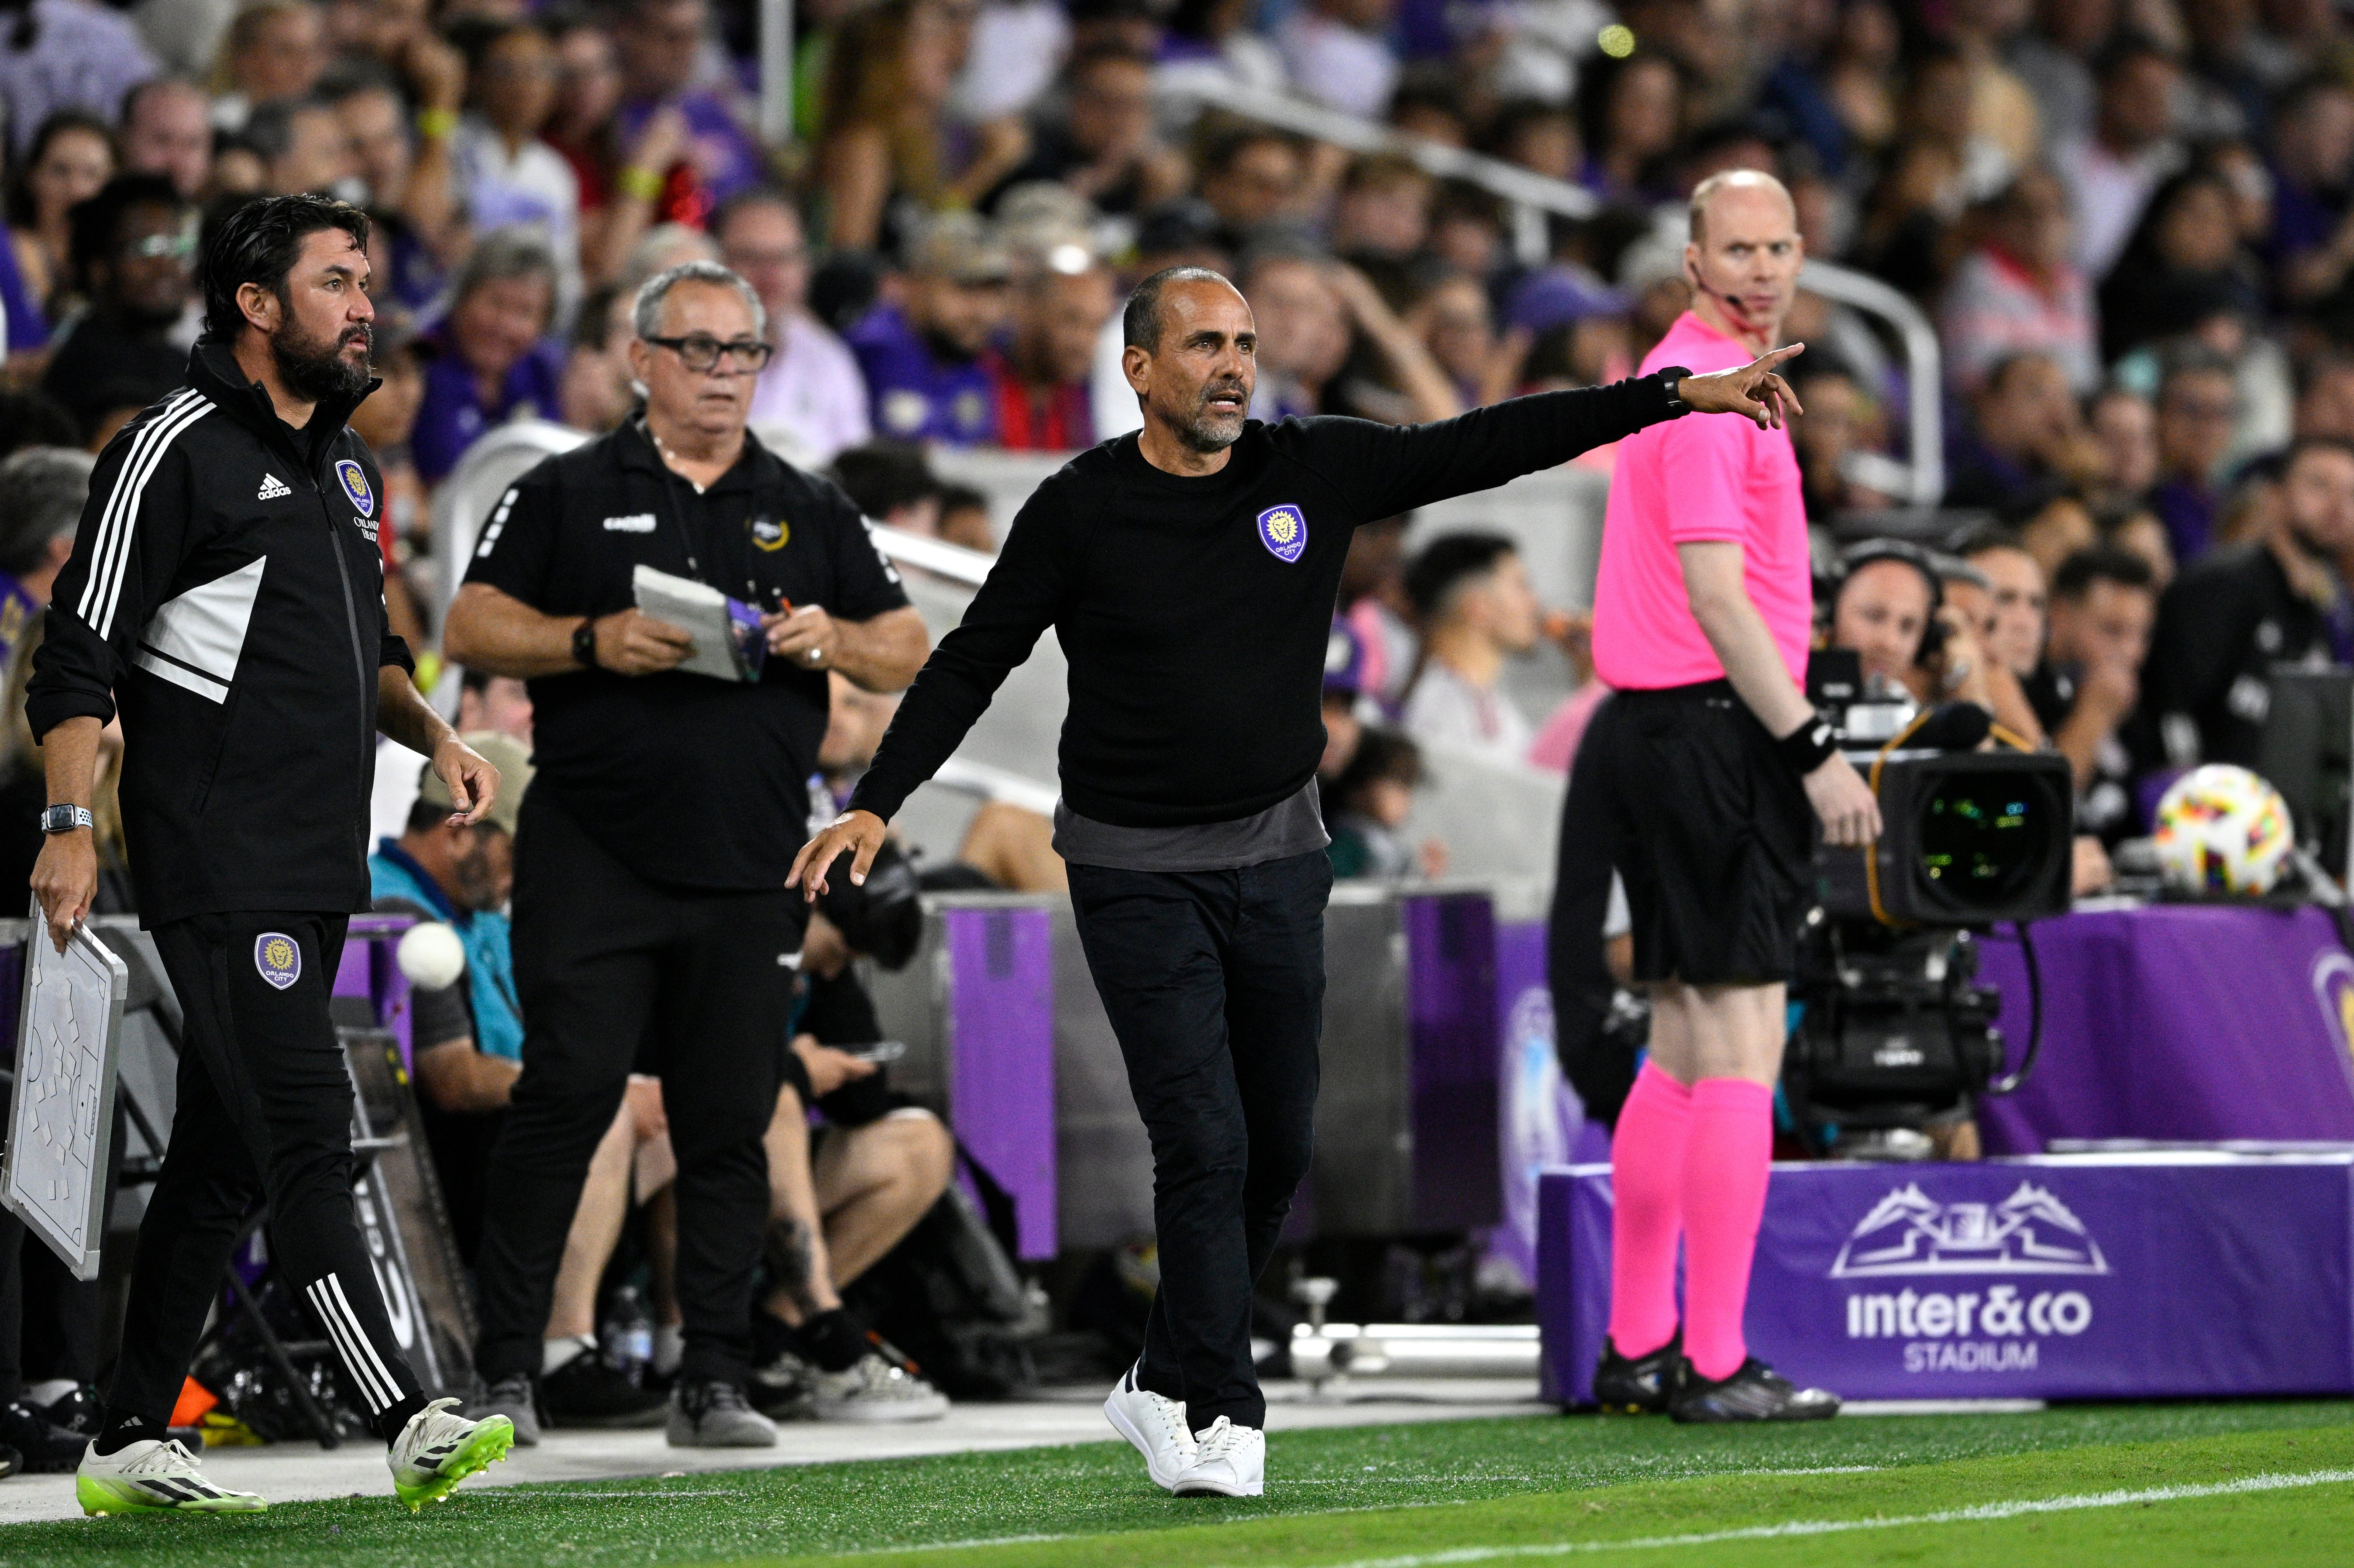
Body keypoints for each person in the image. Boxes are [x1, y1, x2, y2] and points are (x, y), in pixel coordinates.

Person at [789, 263, 1800, 1494]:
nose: (1232, 366)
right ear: (1141, 370)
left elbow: (1487, 443)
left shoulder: (1307, 469)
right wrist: (876, 804)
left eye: (1246, 344)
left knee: (1277, 1145)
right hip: (1132, 868)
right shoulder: (1077, 509)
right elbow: (969, 664)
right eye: (1205, 344)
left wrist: (1671, 395)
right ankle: (1222, 1412)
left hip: (1277, 858)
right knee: (1204, 1138)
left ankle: (1162, 1374)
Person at [24, 192, 513, 1513]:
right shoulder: (170, 449)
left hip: (314, 868)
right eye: (339, 280)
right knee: (306, 1127)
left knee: (225, 1156)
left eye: (369, 281)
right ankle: (406, 1410)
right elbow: (74, 656)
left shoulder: (344, 465)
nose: (367, 306)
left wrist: (430, 732)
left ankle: (126, 1436)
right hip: (218, 862)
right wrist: (70, 826)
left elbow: (367, 652)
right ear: (253, 303)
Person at [441, 258, 930, 1450]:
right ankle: (507, 1369)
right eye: (700, 350)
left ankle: (713, 1376)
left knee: (728, 1120)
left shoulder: (807, 504)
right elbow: (470, 623)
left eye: (744, 353)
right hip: (595, 852)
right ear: (641, 360)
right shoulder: (566, 487)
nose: (723, 375)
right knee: (567, 1102)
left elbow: (909, 644)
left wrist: (837, 639)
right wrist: (588, 639)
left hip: (749, 859)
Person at [1581, 170, 1862, 1425]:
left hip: (1656, 733)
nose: (1760, 267)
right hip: (1717, 732)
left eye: (1778, 246)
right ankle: (1712, 1359)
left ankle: (1639, 1345)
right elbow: (1717, 593)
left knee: (1685, 1039)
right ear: (1692, 261)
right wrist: (1812, 749)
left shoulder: (1690, 380)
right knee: (1746, 1039)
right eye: (1735, 248)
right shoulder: (1708, 401)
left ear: (1802, 255)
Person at [368, 734, 670, 1430]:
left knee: (672, 1125)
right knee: (600, 1113)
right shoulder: (395, 912)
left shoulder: (486, 923)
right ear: (461, 826)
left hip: (503, 1132)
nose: (523, 873)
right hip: (440, 1163)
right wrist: (587, 1088)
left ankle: (675, 1348)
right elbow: (451, 1078)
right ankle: (561, 1355)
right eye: (516, 849)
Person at [2132, 437, 2354, 774]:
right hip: (2200, 808)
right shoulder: (2220, 585)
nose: (2338, 507)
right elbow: (2169, 706)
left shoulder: (2321, 612)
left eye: (2351, 494)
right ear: (2273, 497)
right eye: (2319, 486)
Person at [715, 190, 871, 468]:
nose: (770, 274)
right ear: (714, 262)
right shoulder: (682, 356)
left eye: (785, 257)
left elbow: (856, 468)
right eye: (750, 257)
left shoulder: (828, 356)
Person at [40, 175, 197, 445]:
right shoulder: (87, 364)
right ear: (99, 270)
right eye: (144, 248)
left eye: (176, 247)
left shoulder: (179, 359)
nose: (166, 267)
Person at [2026, 545, 2157, 846]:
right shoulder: (2030, 694)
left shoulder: (2138, 701)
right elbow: (2037, 812)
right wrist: (2093, 717)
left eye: (2142, 634)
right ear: (2059, 616)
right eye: (2113, 631)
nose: (2132, 653)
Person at [413, 229, 566, 483]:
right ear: (462, 297)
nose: (505, 326)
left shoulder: (542, 371)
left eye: (524, 313)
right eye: (496, 303)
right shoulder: (421, 359)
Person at [846, 212, 1011, 445]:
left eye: (992, 292)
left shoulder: (985, 356)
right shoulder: (867, 352)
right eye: (965, 289)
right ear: (915, 285)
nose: (982, 311)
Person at [1399, 532, 1541, 766]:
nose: (1535, 602)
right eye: (1521, 586)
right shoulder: (1439, 707)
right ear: (1478, 606)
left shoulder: (1493, 705)